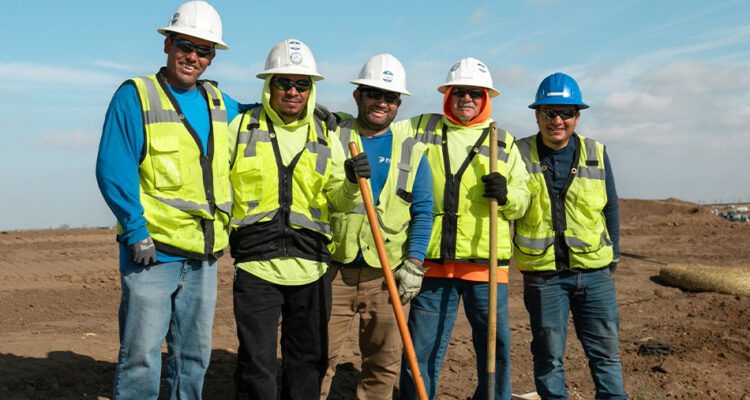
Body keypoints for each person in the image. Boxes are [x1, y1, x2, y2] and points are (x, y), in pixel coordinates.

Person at [95, 1, 240, 399]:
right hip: (152, 253)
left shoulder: (218, 102)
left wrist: (312, 112)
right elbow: (113, 168)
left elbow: (260, 118)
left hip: (203, 255)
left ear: (212, 58)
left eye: (204, 50)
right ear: (167, 44)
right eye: (185, 45)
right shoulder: (135, 96)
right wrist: (136, 230)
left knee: (194, 356)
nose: (192, 57)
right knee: (141, 356)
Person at [228, 38, 369, 400]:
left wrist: (353, 182)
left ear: (311, 89)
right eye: (284, 83)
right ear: (268, 85)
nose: (293, 91)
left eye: (302, 84)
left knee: (307, 362)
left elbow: (338, 200)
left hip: (311, 268)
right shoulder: (241, 128)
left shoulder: (327, 136)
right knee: (255, 364)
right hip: (257, 268)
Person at [397, 57, 531, 400]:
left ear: (486, 97)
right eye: (460, 92)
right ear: (448, 94)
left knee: (495, 351)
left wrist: (507, 195)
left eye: (475, 93)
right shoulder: (422, 128)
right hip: (434, 265)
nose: (467, 99)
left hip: (486, 268)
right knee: (420, 351)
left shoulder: (503, 142)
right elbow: (378, 126)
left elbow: (524, 197)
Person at [319, 54, 434, 400]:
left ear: (399, 103)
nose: (381, 102)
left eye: (390, 97)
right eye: (373, 93)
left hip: (386, 277)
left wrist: (414, 263)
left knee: (382, 366)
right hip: (332, 271)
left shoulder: (413, 152)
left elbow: (424, 210)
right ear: (358, 96)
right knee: (318, 359)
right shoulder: (331, 135)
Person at [513, 72, 627, 400]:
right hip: (543, 278)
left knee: (606, 355)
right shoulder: (518, 153)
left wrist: (614, 254)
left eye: (565, 113)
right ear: (537, 114)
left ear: (577, 117)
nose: (557, 120)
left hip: (595, 274)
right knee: (548, 356)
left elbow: (612, 206)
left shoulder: (595, 152)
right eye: (549, 112)